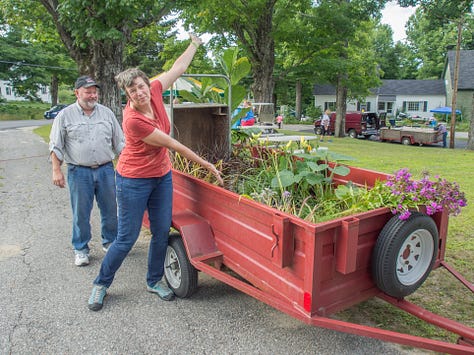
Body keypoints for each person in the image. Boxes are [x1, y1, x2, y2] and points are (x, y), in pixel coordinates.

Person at [88, 34, 224, 311]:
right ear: (127, 96)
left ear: (147, 84)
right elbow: (173, 145)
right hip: (133, 180)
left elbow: (179, 68)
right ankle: (101, 284)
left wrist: (195, 44)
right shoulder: (133, 120)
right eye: (132, 91)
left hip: (161, 177)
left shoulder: (156, 90)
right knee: (126, 238)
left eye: (141, 86)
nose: (139, 93)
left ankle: (153, 280)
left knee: (161, 231)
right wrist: (207, 164)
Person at [49, 76, 125, 267]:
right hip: (78, 172)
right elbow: (55, 146)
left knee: (110, 209)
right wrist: (56, 170)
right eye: (88, 91)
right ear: (77, 93)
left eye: (94, 92)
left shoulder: (106, 114)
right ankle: (81, 249)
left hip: (106, 169)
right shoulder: (65, 116)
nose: (92, 95)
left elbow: (120, 143)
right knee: (81, 212)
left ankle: (110, 242)